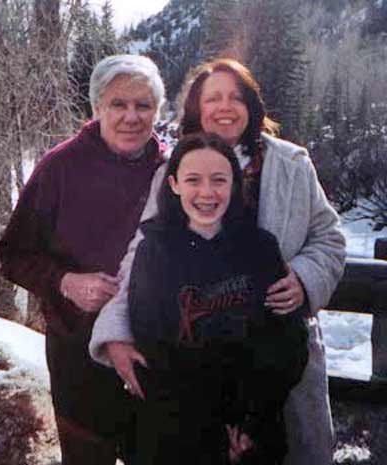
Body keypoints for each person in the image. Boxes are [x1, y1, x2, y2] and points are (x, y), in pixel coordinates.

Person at [90, 58, 346, 464]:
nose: (225, 107)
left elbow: (329, 239)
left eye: (235, 97)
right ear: (197, 108)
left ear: (251, 105)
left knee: (292, 449)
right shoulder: (175, 169)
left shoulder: (291, 164)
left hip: (276, 356)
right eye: (213, 98)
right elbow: (142, 255)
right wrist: (115, 333)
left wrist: (302, 278)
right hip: (194, 380)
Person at [0, 54, 166, 465]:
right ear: (96, 108)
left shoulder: (171, 170)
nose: (131, 116)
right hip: (78, 354)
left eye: (143, 105)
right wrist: (66, 281)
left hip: (152, 349)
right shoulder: (60, 167)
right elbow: (13, 254)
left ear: (157, 111)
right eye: (118, 104)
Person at [126, 132, 308, 464]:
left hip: (252, 432)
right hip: (177, 433)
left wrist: (252, 421)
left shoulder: (260, 248)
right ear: (174, 184)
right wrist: (205, 434)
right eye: (193, 179)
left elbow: (288, 342)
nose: (207, 192)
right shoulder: (153, 250)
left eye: (219, 180)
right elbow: (151, 345)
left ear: (234, 184)